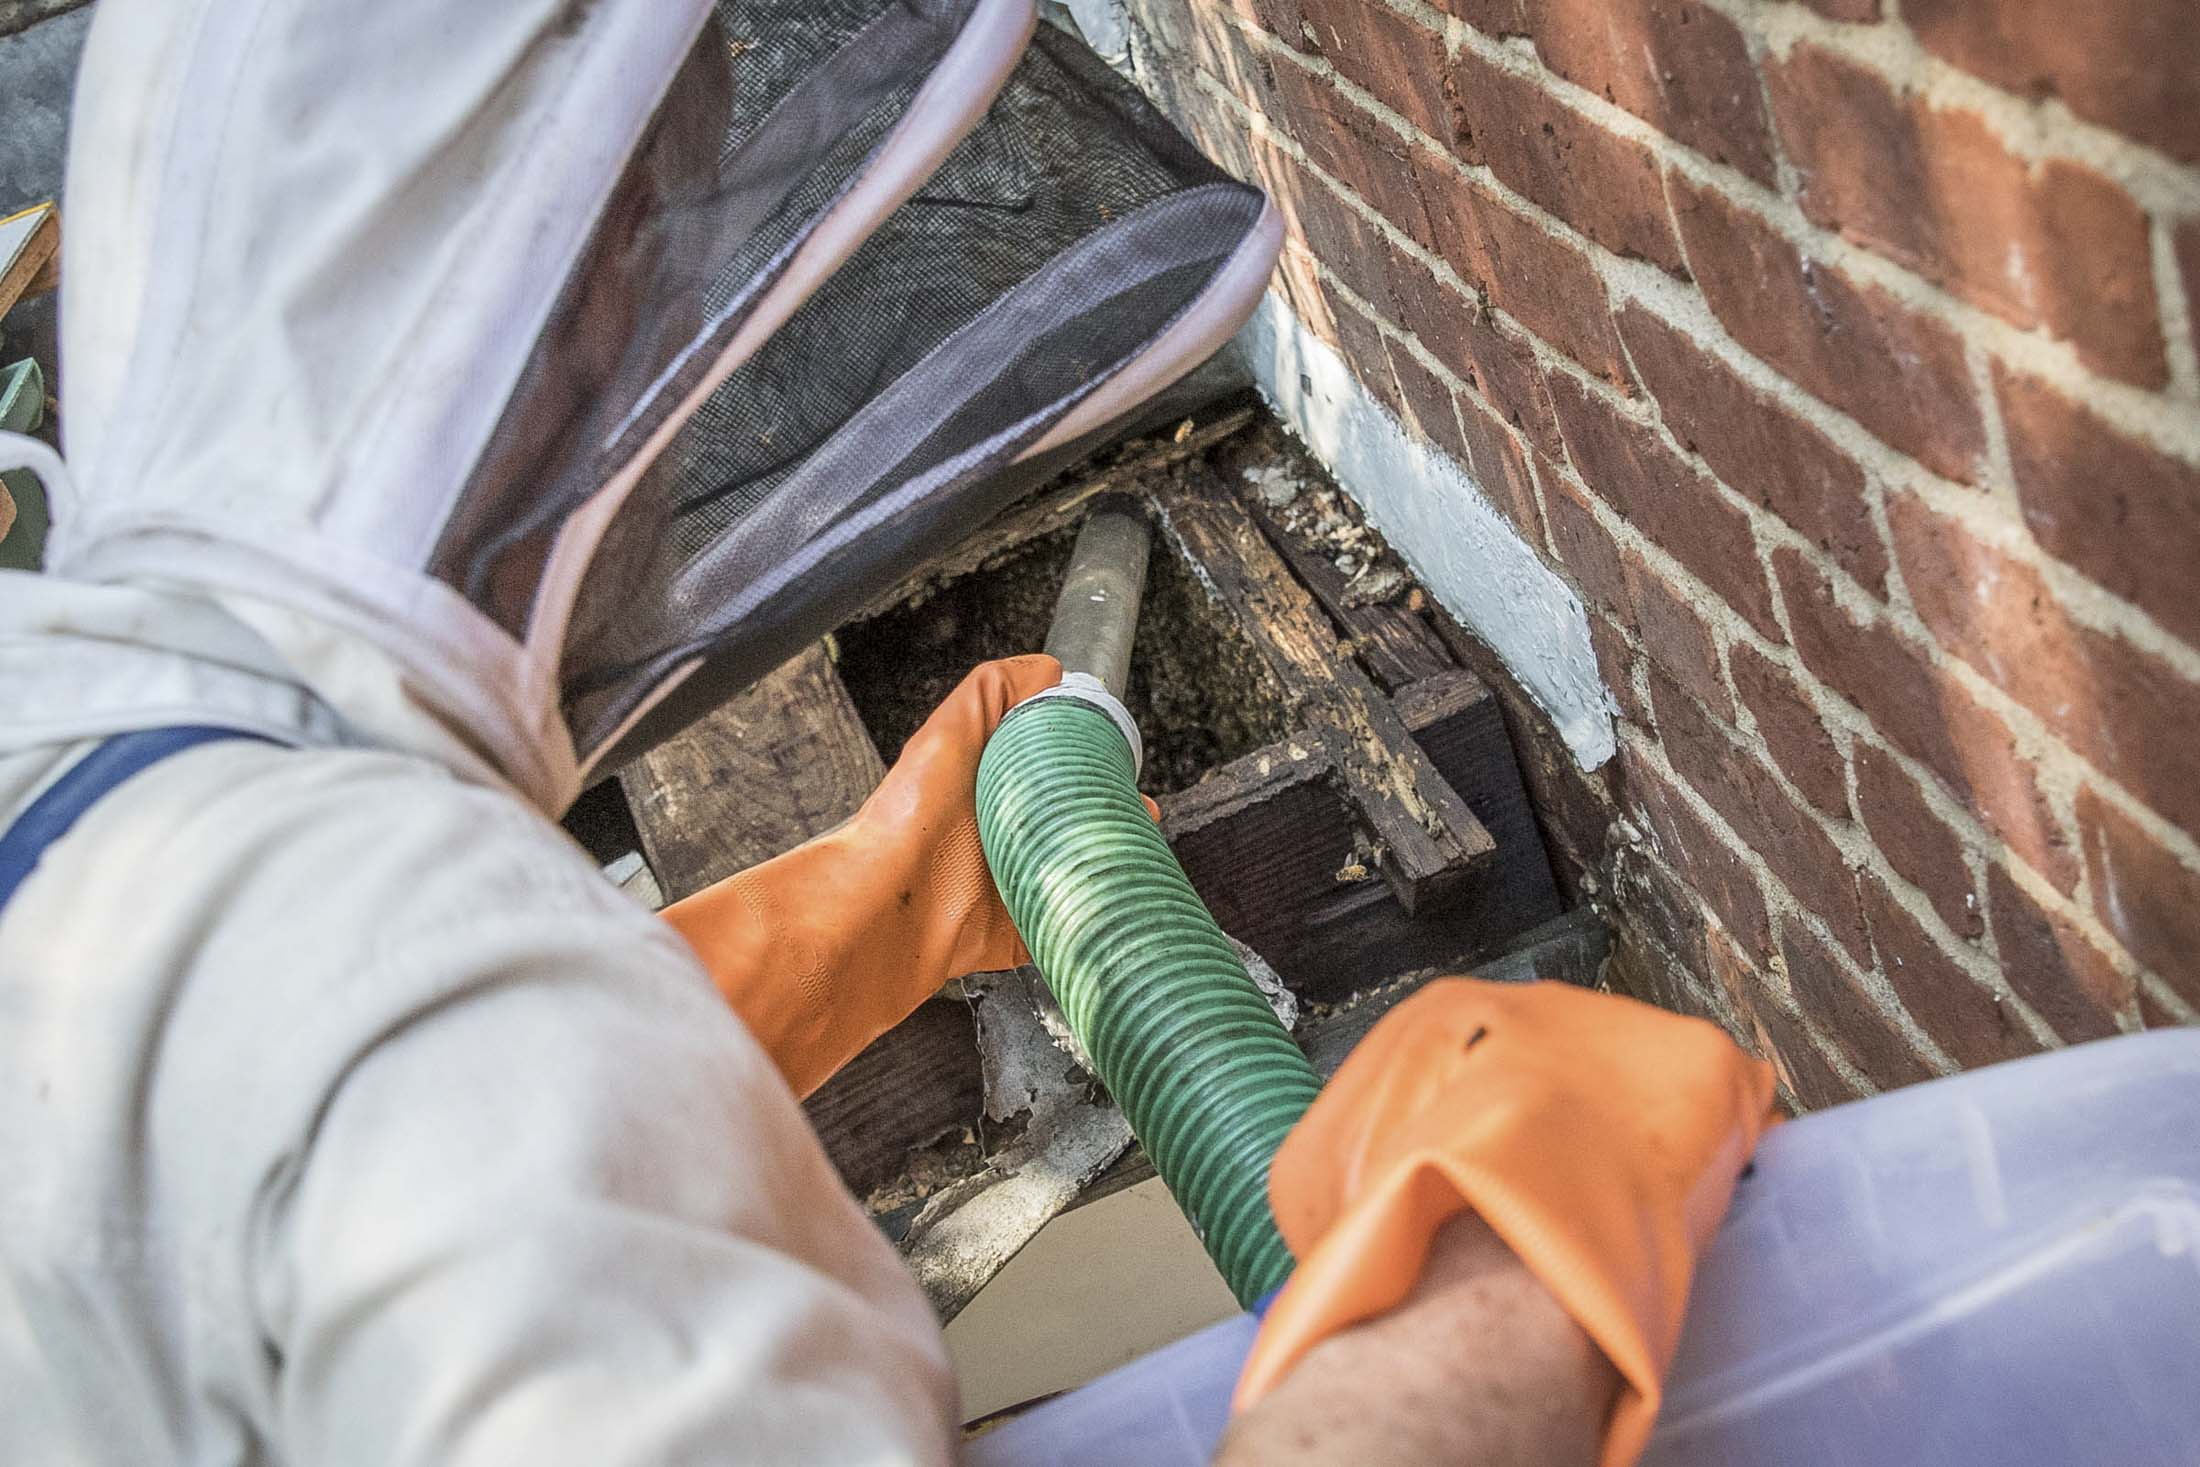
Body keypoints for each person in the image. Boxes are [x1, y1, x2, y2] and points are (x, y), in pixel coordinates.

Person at [0, 2, 1775, 1462]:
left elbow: (247, 1096)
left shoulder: (78, 758)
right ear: (538, 346)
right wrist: (1484, 1305)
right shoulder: (401, 981)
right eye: (657, 253)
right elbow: (389, 1077)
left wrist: (878, 898)